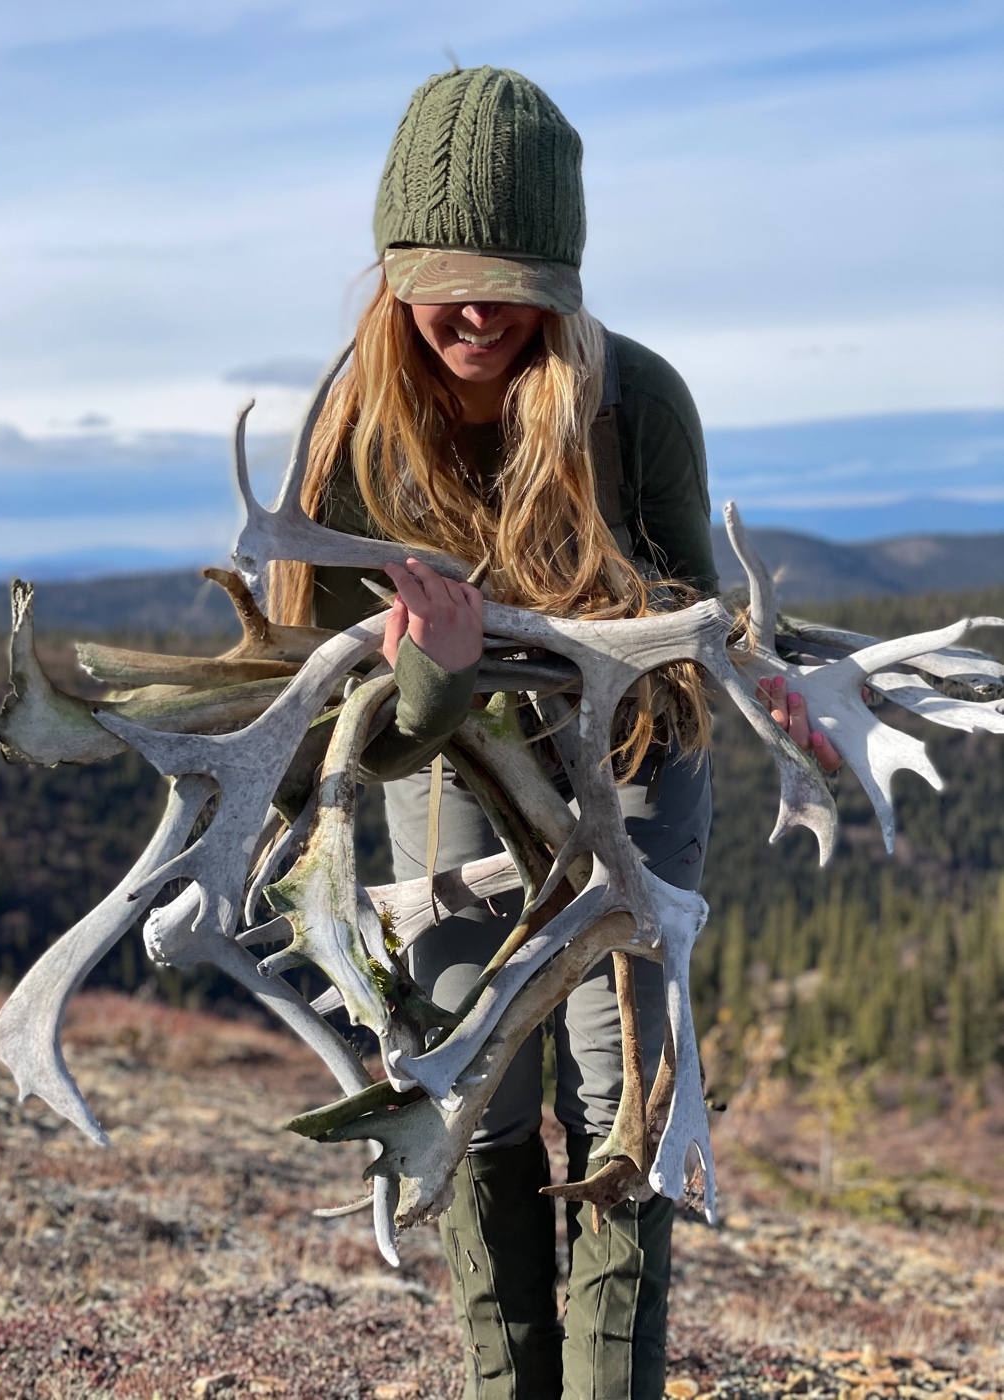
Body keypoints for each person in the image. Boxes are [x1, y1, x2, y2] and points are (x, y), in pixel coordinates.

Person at [272, 65, 841, 1400]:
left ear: (565, 274)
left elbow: (689, 660)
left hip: (632, 773)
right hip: (445, 777)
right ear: (392, 266)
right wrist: (434, 689)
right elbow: (329, 740)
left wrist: (588, 659)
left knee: (615, 1096)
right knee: (465, 1083)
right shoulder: (346, 440)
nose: (476, 310)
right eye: (444, 273)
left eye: (512, 276)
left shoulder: (635, 400)